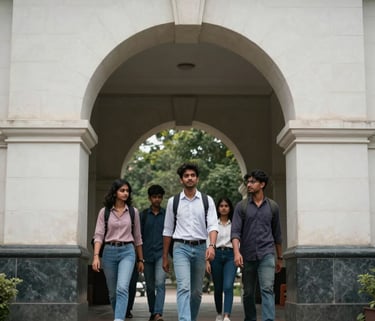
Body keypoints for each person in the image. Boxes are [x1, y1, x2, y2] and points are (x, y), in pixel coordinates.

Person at [162, 162, 219, 321]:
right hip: (180, 248)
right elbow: (167, 230)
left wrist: (212, 246)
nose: (189, 178)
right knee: (184, 287)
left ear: (197, 179)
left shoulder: (207, 201)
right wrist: (165, 256)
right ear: (181, 180)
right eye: (186, 176)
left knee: (196, 292)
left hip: (201, 247)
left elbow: (213, 225)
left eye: (192, 175)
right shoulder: (174, 202)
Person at [231, 169, 283, 321]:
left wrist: (279, 257)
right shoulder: (242, 206)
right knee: (248, 292)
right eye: (248, 182)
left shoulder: (273, 207)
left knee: (267, 289)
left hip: (266, 253)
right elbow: (235, 232)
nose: (249, 184)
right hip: (246, 255)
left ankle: (268, 319)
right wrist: (236, 253)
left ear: (262, 184)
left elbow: (277, 234)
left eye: (252, 182)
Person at [92, 178, 144, 321]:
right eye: (122, 190)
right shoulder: (105, 212)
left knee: (122, 288)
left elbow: (138, 237)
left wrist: (140, 259)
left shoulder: (133, 212)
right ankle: (118, 316)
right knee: (113, 293)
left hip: (127, 252)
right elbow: (98, 235)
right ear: (115, 193)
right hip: (109, 252)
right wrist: (96, 256)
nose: (125, 193)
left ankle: (119, 319)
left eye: (127, 191)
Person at [206, 197, 237, 321]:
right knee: (218, 287)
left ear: (230, 208)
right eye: (221, 206)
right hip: (216, 255)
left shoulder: (235, 223)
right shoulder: (213, 224)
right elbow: (208, 242)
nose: (224, 208)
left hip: (230, 255)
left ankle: (227, 315)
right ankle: (219, 312)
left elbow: (237, 240)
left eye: (226, 206)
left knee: (228, 286)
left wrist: (238, 255)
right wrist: (207, 260)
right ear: (218, 208)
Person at [140, 184, 167, 321]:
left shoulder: (167, 215)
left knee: (160, 283)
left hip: (161, 255)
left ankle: (158, 313)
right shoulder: (143, 215)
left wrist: (168, 256)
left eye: (159, 197)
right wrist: (139, 258)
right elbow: (138, 236)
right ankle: (153, 312)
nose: (157, 199)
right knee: (150, 287)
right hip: (146, 255)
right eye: (154, 197)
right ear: (150, 198)